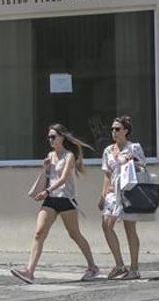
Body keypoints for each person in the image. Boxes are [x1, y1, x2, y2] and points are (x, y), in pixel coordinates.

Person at [11, 124, 99, 284]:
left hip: (66, 200)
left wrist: (47, 191)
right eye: (49, 137)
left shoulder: (69, 156)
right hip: (51, 200)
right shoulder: (50, 156)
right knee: (39, 233)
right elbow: (48, 177)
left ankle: (92, 267)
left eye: (53, 137)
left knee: (75, 234)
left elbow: (64, 178)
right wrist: (45, 169)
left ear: (62, 137)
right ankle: (29, 271)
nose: (50, 140)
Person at [99, 115, 146, 280]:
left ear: (126, 131)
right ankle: (119, 264)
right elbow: (107, 174)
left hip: (128, 191)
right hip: (113, 193)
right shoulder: (108, 150)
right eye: (112, 129)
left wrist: (133, 162)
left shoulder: (133, 147)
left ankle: (134, 268)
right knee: (106, 225)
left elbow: (142, 169)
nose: (114, 131)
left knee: (129, 228)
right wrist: (103, 195)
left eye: (117, 129)